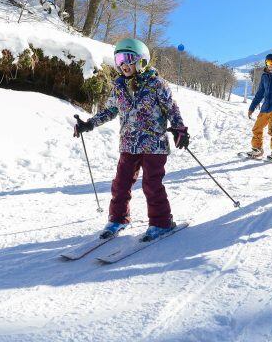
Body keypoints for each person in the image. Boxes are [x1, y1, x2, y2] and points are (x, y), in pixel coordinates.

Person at [73, 38, 189, 242]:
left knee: (151, 185)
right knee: (120, 184)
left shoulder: (156, 84)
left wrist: (180, 129)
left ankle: (161, 223)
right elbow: (110, 110)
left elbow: (172, 109)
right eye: (119, 59)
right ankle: (118, 218)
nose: (123, 64)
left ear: (142, 61)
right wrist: (89, 124)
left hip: (154, 145)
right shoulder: (118, 86)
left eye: (128, 59)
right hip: (128, 143)